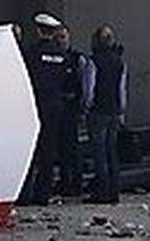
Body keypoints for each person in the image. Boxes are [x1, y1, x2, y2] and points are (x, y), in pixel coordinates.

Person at [23, 13, 69, 206]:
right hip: (55, 106)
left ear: (38, 30)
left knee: (30, 150)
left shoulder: (31, 53)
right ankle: (43, 194)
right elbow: (66, 82)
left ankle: (24, 194)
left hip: (35, 104)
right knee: (49, 150)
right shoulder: (62, 55)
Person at [82, 24, 127, 205]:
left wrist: (87, 105)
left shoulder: (93, 61)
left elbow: (89, 88)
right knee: (111, 151)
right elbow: (122, 89)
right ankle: (114, 192)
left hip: (98, 111)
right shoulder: (120, 62)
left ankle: (101, 192)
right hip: (114, 111)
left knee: (99, 153)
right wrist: (122, 110)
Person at [56, 25, 87, 197]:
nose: (60, 40)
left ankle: (75, 183)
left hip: (72, 109)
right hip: (58, 108)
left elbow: (84, 84)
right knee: (61, 149)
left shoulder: (77, 59)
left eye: (63, 37)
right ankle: (65, 182)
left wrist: (81, 105)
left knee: (73, 149)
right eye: (58, 37)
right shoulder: (53, 57)